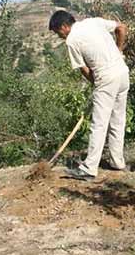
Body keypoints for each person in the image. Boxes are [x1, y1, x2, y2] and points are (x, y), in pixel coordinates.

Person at [49, 10, 130, 181]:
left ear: (64, 26)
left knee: (99, 124)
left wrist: (97, 82)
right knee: (118, 119)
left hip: (105, 77)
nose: (59, 37)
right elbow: (121, 28)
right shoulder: (93, 22)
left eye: (58, 32)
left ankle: (89, 168)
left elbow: (83, 69)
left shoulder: (71, 41)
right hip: (123, 72)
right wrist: (118, 51)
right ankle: (117, 162)